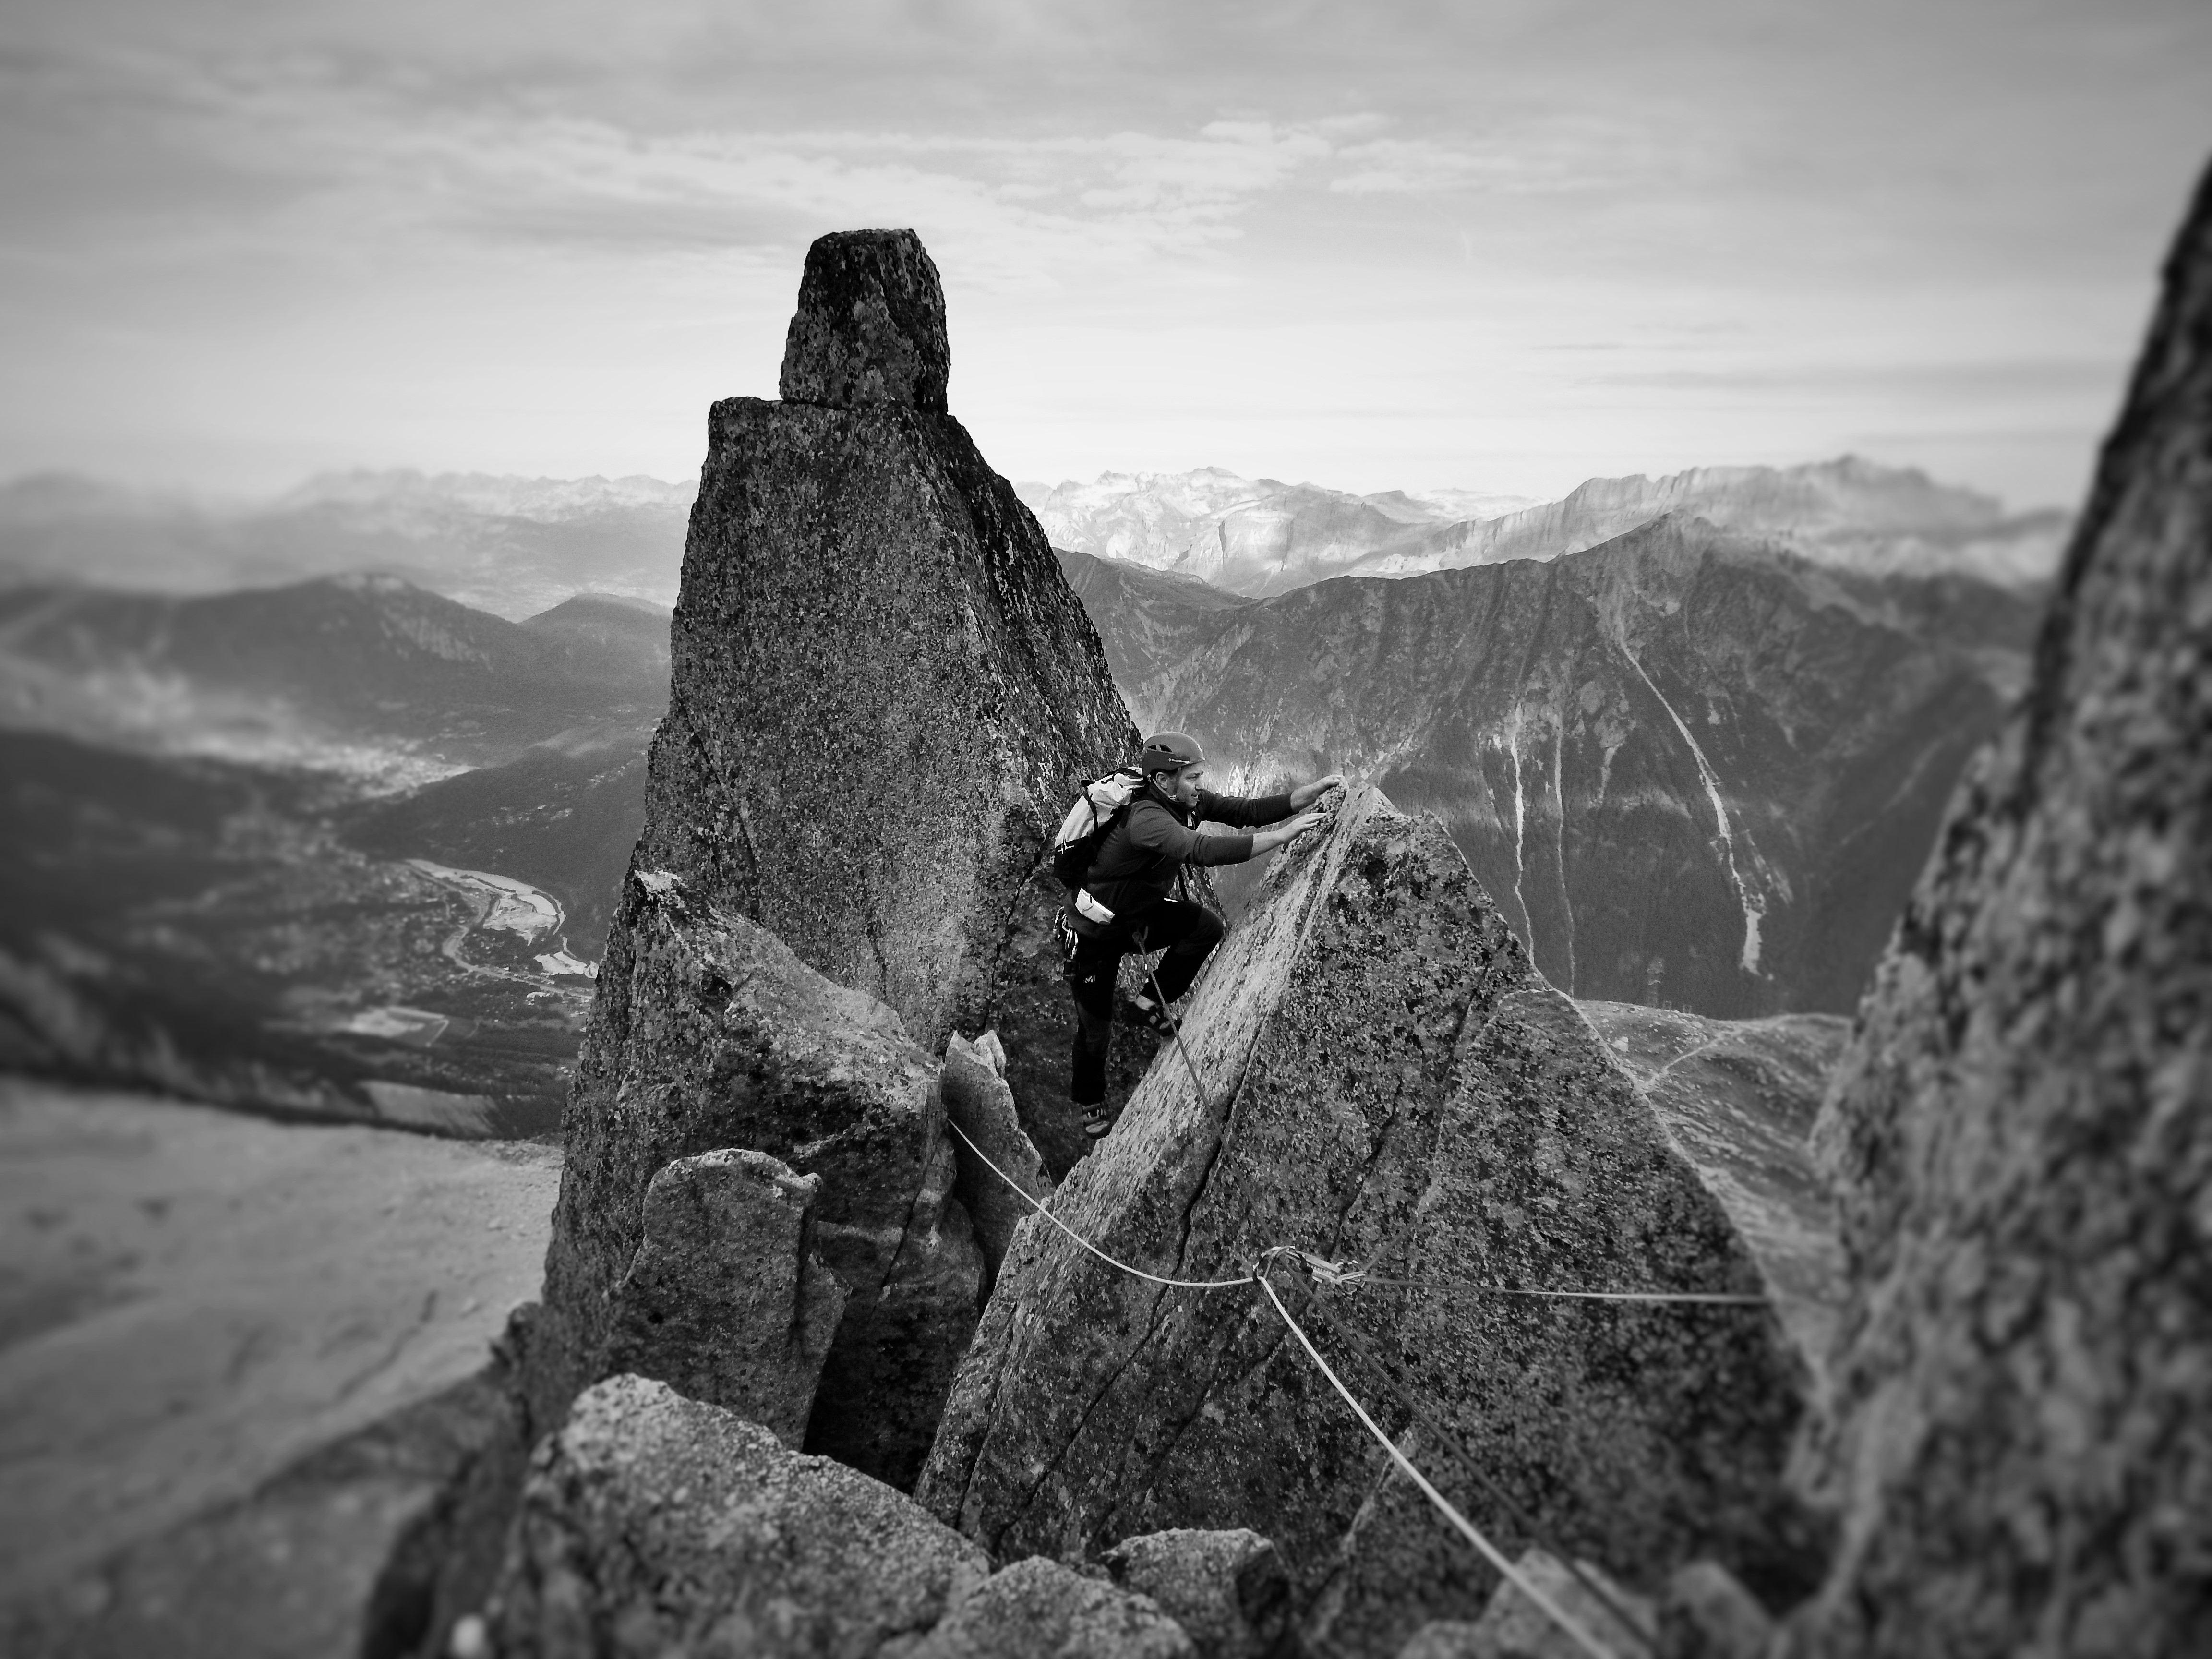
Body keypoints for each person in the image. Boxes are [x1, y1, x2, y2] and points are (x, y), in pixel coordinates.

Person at [1066, 731, 1343, 1138]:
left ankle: (1146, 1003)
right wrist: (1285, 836)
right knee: (1096, 1028)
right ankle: (1090, 1098)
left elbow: (1245, 810)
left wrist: (1307, 795)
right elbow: (1204, 851)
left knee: (1205, 928)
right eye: (1192, 778)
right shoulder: (1147, 819)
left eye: (1199, 777)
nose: (1200, 785)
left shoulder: (1185, 802)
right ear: (1164, 781)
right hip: (1094, 933)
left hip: (1137, 917)